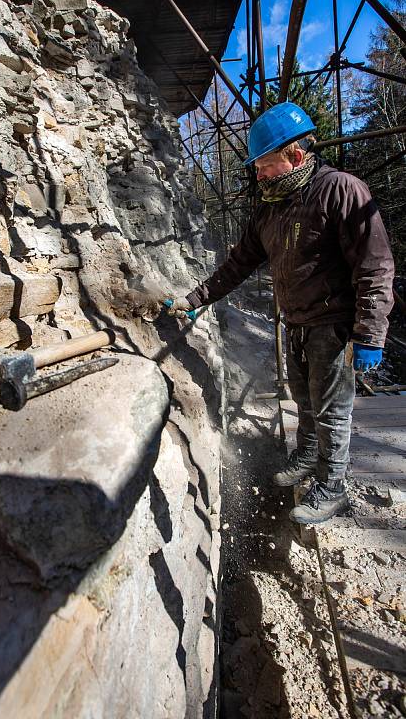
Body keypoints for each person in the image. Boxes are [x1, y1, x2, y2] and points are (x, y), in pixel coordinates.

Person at [168, 102, 395, 524]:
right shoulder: (271, 208)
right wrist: (194, 299)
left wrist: (370, 333)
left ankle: (333, 487)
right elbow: (237, 265)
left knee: (332, 411)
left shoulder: (341, 190)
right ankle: (308, 456)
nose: (257, 175)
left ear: (294, 154)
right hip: (297, 322)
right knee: (305, 401)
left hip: (333, 324)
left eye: (264, 164)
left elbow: (375, 265)